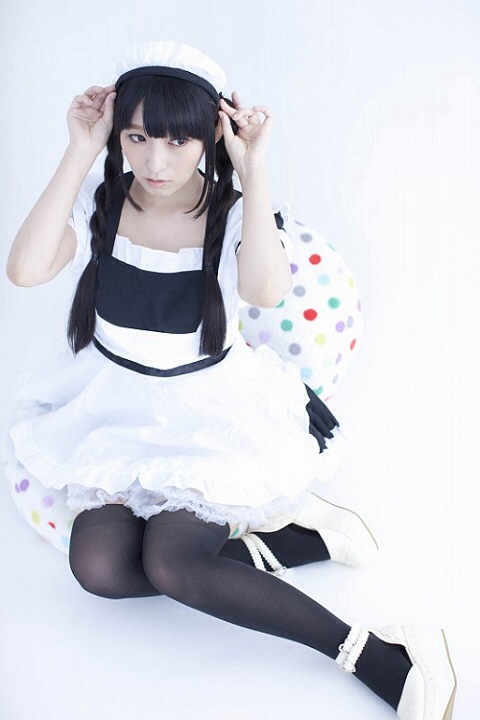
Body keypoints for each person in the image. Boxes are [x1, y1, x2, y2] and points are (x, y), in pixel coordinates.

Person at [6, 42, 456, 719]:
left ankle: (381, 653)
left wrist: (255, 169)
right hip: (114, 409)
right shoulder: (102, 200)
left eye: (178, 140)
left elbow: (266, 292)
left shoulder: (234, 210)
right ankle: (286, 543)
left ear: (210, 135)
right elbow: (25, 269)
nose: (156, 162)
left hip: (205, 414)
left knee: (173, 565)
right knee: (98, 569)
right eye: (138, 137)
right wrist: (79, 150)